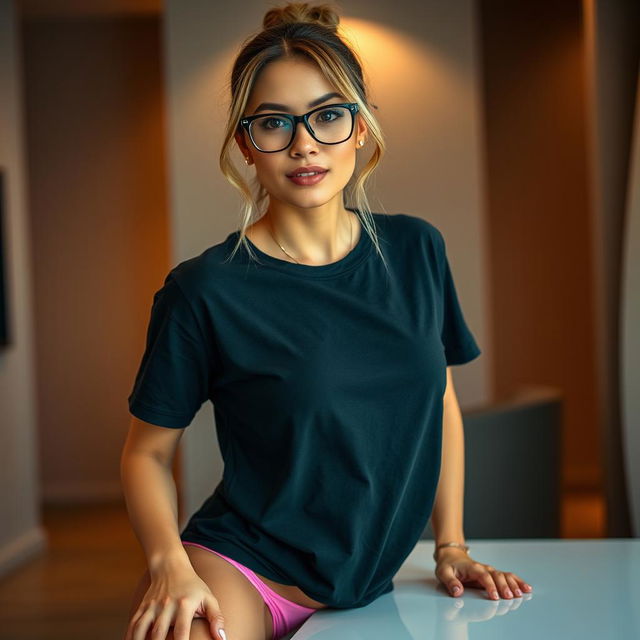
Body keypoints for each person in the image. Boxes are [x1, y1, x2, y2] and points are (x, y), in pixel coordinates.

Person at [120, 3, 533, 640]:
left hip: (370, 584)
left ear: (361, 128)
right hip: (247, 569)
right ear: (245, 143)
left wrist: (449, 544)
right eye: (274, 122)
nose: (305, 142)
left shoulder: (417, 251)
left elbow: (440, 405)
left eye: (328, 115)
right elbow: (147, 453)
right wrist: (169, 564)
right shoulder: (205, 290)